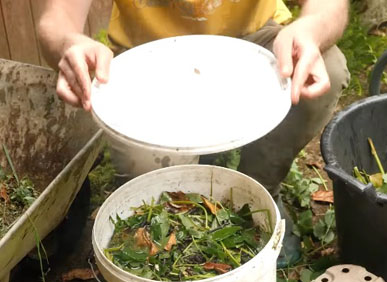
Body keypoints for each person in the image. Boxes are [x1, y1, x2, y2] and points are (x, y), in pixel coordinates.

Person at [37, 0, 350, 265]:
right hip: (147, 58)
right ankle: (175, 221)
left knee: (329, 66)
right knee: (144, 169)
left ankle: (259, 193)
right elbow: (57, 19)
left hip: (252, 43)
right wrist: (68, 43)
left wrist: (311, 28)